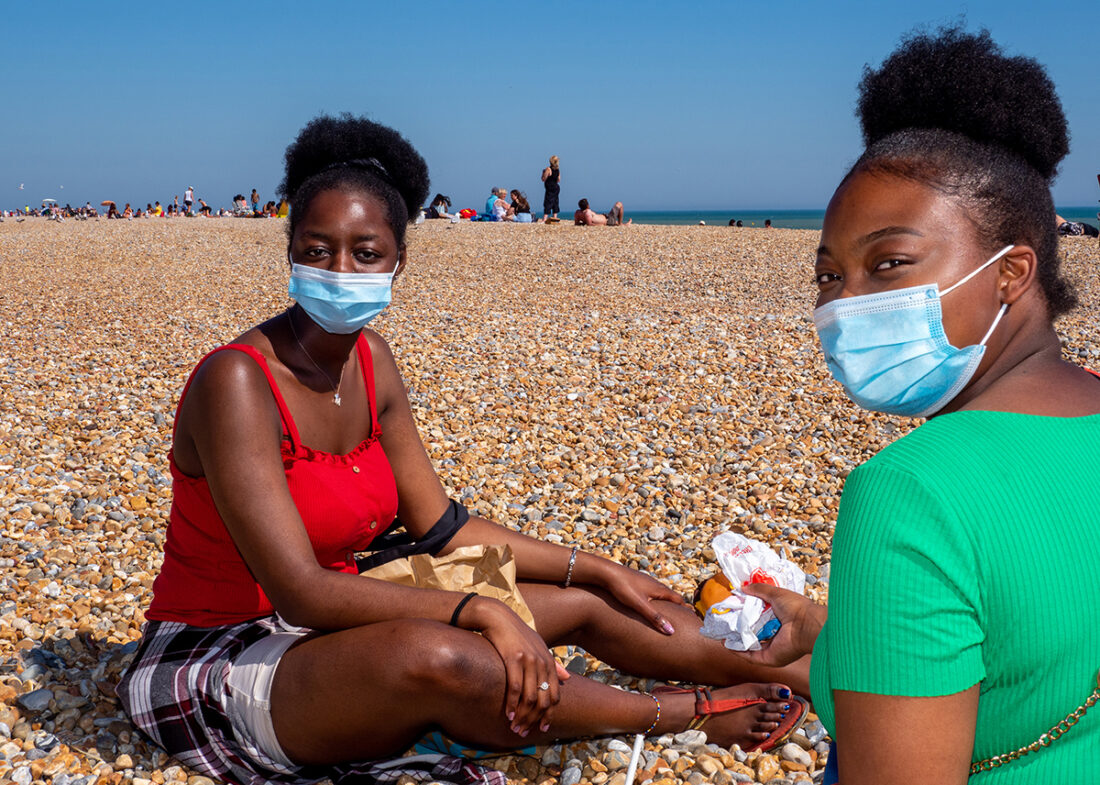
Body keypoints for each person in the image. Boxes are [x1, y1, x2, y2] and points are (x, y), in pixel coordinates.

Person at [116, 113, 810, 785]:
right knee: (447, 654)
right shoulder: (236, 380)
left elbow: (442, 527)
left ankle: (830, 673)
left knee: (591, 604)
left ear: (399, 262)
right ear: (289, 248)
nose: (338, 268)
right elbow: (299, 590)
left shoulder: (371, 360)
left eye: (365, 252)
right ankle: (676, 713)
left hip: (339, 613)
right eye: (316, 248)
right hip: (220, 649)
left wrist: (594, 568)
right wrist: (479, 609)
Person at [739, 28, 1100, 783]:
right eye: (830, 275)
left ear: (1012, 272)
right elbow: (1030, 648)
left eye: (890, 263)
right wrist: (833, 634)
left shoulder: (912, 491)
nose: (845, 305)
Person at [541, 155, 561, 222]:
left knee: (548, 202)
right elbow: (558, 180)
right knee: (555, 201)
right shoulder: (557, 169)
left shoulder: (548, 169)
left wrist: (543, 173)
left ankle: (545, 218)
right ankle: (555, 217)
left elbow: (543, 179)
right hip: (556, 187)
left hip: (550, 188)